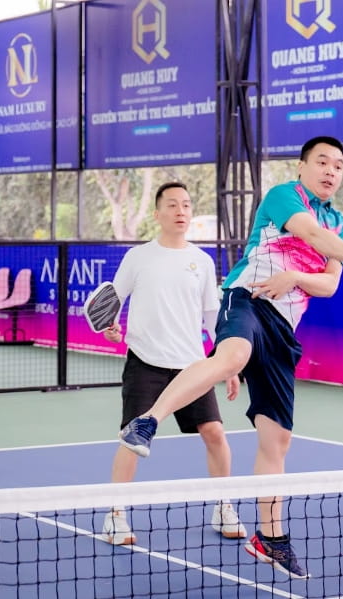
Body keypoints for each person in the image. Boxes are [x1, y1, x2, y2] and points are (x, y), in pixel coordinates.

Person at [117, 137, 343, 577]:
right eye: (322, 162)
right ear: (301, 166)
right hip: (248, 299)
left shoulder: (338, 222)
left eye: (338, 166)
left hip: (284, 327)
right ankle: (147, 422)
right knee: (233, 356)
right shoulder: (284, 196)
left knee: (277, 438)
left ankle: (270, 538)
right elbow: (311, 235)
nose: (331, 171)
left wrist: (295, 276)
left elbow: (329, 285)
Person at [100, 181, 246, 546]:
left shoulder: (202, 261)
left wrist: (229, 365)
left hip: (192, 367)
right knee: (132, 437)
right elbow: (113, 303)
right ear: (157, 213)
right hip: (145, 362)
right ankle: (115, 516)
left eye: (186, 205)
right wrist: (111, 327)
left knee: (215, 433)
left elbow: (212, 317)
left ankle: (223, 505)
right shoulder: (138, 257)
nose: (181, 211)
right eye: (172, 205)